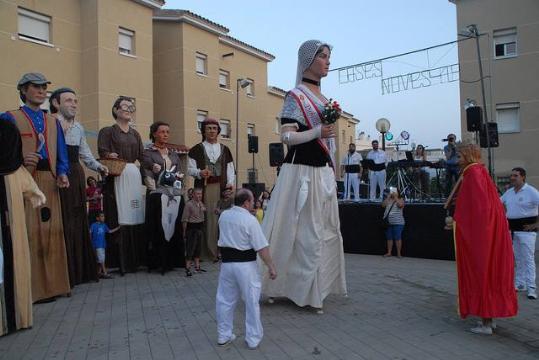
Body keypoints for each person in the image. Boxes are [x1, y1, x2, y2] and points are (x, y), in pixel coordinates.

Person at [261, 40, 347, 313]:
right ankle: (279, 285)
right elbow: (286, 136)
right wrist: (316, 133)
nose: (327, 61)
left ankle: (314, 287)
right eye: (322, 56)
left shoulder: (324, 99)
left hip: (321, 172)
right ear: (308, 60)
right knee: (296, 231)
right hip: (300, 172)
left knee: (321, 232)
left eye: (328, 56)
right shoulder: (295, 96)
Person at [0, 72, 71, 302]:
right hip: (23, 180)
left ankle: (56, 286)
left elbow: (61, 150)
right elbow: (4, 152)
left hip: (49, 179)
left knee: (53, 233)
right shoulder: (9, 117)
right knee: (28, 233)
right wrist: (20, 158)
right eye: (35, 87)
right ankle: (32, 291)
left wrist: (62, 172)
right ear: (23, 90)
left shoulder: (52, 120)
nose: (41, 91)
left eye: (43, 87)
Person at [452, 142, 517, 335]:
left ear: (467, 155)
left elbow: (481, 210)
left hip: (482, 236)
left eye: (459, 156)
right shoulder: (480, 172)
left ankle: (486, 323)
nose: (457, 160)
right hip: (489, 233)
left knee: (482, 272)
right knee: (489, 273)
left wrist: (457, 222)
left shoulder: (474, 174)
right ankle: (489, 318)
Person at [51, 87, 107, 287]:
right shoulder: (50, 123)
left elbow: (85, 154)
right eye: (68, 101)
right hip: (56, 174)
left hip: (76, 173)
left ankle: (80, 271)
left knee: (77, 218)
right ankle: (64, 274)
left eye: (75, 101)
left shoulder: (79, 128)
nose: (74, 104)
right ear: (56, 103)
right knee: (62, 219)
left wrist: (99, 166)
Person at [216, 189, 277, 349]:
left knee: (224, 300)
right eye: (251, 201)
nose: (253, 203)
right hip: (245, 267)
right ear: (246, 203)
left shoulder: (224, 216)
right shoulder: (250, 220)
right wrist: (271, 266)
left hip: (227, 266)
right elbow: (261, 247)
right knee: (251, 301)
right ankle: (253, 338)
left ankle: (224, 335)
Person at [0, 121, 46, 334]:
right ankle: (18, 317)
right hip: (13, 229)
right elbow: (37, 197)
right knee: (14, 263)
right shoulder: (16, 173)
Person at [97, 96, 145, 274]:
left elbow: (142, 155)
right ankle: (120, 262)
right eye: (124, 106)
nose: (128, 109)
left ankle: (136, 260)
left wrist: (152, 168)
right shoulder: (107, 131)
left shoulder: (136, 134)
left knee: (135, 213)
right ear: (116, 110)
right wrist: (110, 154)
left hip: (133, 175)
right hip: (118, 175)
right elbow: (103, 151)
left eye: (131, 107)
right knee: (120, 214)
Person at [188, 118, 235, 262]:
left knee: (221, 219)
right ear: (203, 131)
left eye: (214, 128)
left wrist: (230, 185)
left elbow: (230, 169)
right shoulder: (196, 149)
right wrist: (199, 173)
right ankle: (204, 252)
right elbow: (190, 169)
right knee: (205, 218)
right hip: (204, 189)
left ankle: (220, 250)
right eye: (208, 128)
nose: (212, 131)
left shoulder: (225, 149)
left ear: (218, 131)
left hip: (221, 189)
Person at [142, 122, 185, 275]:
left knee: (174, 225)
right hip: (157, 194)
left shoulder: (173, 153)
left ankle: (173, 260)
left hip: (173, 194)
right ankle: (158, 262)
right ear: (154, 134)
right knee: (158, 228)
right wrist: (155, 189)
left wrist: (178, 188)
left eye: (167, 131)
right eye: (162, 132)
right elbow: (146, 170)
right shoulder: (148, 152)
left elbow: (179, 172)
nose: (166, 134)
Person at [501, 167, 539, 300]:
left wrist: (536, 224)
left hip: (527, 230)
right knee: (517, 258)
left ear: (523, 177)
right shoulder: (509, 192)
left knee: (528, 258)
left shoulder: (531, 192)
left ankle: (531, 287)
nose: (512, 178)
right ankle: (519, 283)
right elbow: (499, 204)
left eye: (515, 176)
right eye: (511, 175)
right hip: (512, 229)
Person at [181, 188, 206, 277]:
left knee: (198, 249)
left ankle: (197, 267)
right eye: (197, 194)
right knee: (190, 249)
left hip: (200, 228)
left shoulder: (200, 203)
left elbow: (204, 210)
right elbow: (185, 219)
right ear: (193, 195)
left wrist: (202, 206)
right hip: (192, 229)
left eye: (200, 194)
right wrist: (184, 232)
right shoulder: (188, 204)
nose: (199, 195)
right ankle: (187, 268)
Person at [90, 212, 120, 279]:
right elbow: (89, 232)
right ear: (97, 218)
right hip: (97, 245)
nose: (103, 218)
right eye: (101, 216)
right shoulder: (93, 225)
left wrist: (118, 228)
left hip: (103, 245)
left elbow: (109, 231)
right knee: (101, 260)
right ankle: (105, 273)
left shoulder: (104, 225)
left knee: (101, 260)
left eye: (103, 216)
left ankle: (99, 273)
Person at [382, 188, 405, 258]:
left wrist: (395, 197)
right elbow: (383, 205)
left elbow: (400, 205)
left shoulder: (401, 199)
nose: (393, 193)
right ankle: (389, 252)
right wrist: (388, 197)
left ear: (398, 192)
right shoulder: (388, 199)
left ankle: (398, 253)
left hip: (398, 222)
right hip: (388, 223)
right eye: (392, 191)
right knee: (389, 238)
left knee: (397, 238)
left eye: (394, 191)